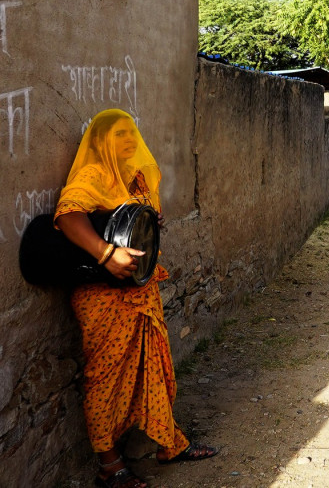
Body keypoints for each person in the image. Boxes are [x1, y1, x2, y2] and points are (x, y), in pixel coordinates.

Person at [55, 109, 217, 488]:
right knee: (105, 378)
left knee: (154, 365)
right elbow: (67, 217)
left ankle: (166, 443)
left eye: (132, 132)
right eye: (119, 134)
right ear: (101, 142)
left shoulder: (135, 177)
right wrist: (106, 254)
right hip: (104, 296)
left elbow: (130, 219)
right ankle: (109, 465)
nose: (129, 139)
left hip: (140, 290)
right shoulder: (93, 175)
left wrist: (148, 220)